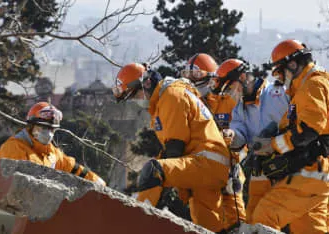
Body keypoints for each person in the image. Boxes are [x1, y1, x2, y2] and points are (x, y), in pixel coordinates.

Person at [112, 62, 230, 233]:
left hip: (205, 162)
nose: (135, 101)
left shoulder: (171, 95)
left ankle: (134, 223)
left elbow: (175, 147)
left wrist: (157, 186)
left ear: (146, 83)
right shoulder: (166, 98)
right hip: (208, 164)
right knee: (209, 226)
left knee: (153, 170)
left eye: (134, 95)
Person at [247, 39, 329, 234]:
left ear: (292, 64)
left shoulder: (312, 85)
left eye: (281, 72)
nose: (281, 79)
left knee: (264, 217)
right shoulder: (325, 84)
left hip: (312, 172)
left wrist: (271, 147)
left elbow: (307, 131)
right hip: (325, 173)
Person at [218, 59, 289, 228]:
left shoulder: (278, 93)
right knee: (253, 218)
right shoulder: (238, 109)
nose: (229, 93)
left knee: (289, 220)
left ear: (243, 77)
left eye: (230, 87)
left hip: (288, 164)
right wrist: (231, 135)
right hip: (260, 167)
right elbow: (240, 135)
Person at [181, 53, 246, 232]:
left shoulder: (228, 102)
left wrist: (235, 160)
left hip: (229, 171)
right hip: (201, 173)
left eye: (197, 75)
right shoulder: (186, 106)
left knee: (237, 223)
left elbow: (242, 136)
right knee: (205, 224)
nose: (192, 80)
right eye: (189, 75)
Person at [0, 102, 106, 186]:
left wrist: (96, 181)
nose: (48, 133)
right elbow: (16, 183)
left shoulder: (52, 153)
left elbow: (74, 168)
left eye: (51, 129)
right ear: (32, 126)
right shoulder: (14, 147)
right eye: (44, 128)